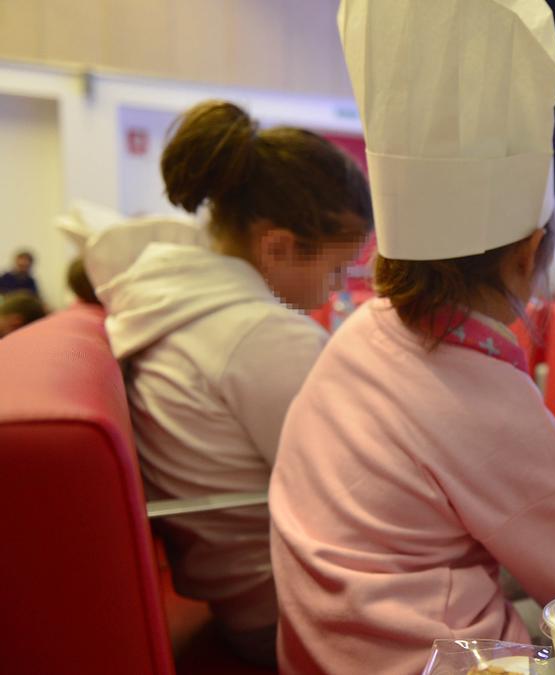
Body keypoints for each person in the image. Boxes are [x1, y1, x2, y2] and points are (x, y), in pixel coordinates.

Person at [269, 1, 555, 671]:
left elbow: (460, 449)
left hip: (321, 649)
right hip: (441, 657)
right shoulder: (488, 398)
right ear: (526, 255)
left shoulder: (363, 334)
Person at [93, 100, 372, 666]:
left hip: (242, 594)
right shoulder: (263, 337)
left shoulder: (170, 305)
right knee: (532, 605)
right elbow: (360, 493)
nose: (339, 289)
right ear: (277, 247)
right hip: (292, 610)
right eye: (337, 269)